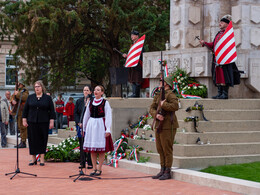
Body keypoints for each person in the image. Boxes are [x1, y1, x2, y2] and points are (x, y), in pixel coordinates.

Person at [199, 15, 240, 99]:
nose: (220, 23)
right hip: (217, 59)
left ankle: (224, 94)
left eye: (222, 22)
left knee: (224, 76)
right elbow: (214, 45)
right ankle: (219, 93)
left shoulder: (228, 34)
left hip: (225, 59)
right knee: (217, 76)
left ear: (227, 24)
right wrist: (205, 43)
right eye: (220, 22)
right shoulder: (219, 33)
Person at [149, 76, 179, 180]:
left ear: (166, 83)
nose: (159, 82)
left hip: (167, 125)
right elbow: (152, 108)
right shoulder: (158, 94)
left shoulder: (170, 94)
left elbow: (175, 106)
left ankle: (167, 171)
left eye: (161, 81)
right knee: (160, 148)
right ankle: (162, 169)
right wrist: (156, 115)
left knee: (167, 149)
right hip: (159, 124)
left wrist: (164, 104)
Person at [22, 80, 56, 166]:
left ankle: (42, 159)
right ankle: (33, 159)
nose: (37, 88)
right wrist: (24, 119)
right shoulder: (30, 97)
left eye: (38, 86)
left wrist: (52, 121)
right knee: (32, 139)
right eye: (35, 87)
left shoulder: (47, 98)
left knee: (42, 139)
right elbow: (25, 109)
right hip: (32, 121)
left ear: (42, 88)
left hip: (44, 121)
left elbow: (52, 111)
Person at [82, 85, 114, 176]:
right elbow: (86, 115)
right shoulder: (90, 102)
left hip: (100, 125)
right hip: (92, 125)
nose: (96, 91)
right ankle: (94, 168)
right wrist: (84, 127)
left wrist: (108, 129)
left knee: (100, 149)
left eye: (98, 90)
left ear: (102, 92)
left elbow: (108, 116)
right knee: (92, 148)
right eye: (95, 90)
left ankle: (99, 168)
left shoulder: (105, 102)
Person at [74, 85, 93, 169]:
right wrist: (79, 122)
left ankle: (90, 162)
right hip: (80, 126)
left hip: (90, 126)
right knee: (82, 143)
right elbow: (76, 113)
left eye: (87, 90)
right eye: (84, 90)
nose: (86, 92)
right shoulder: (79, 101)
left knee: (89, 144)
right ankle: (82, 162)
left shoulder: (93, 101)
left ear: (90, 92)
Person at [123, 30, 143, 97]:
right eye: (131, 35)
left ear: (137, 36)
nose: (132, 36)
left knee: (137, 80)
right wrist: (127, 56)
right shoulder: (132, 45)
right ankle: (134, 93)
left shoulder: (140, 44)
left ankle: (136, 94)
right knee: (133, 80)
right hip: (132, 66)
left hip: (138, 65)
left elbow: (140, 55)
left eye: (133, 35)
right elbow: (131, 55)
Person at [12, 80, 29, 148]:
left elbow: (25, 97)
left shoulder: (25, 90)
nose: (18, 85)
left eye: (19, 84)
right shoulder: (18, 90)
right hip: (18, 110)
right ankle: (22, 141)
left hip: (23, 111)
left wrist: (17, 94)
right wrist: (12, 100)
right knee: (19, 126)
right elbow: (12, 97)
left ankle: (23, 141)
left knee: (23, 127)